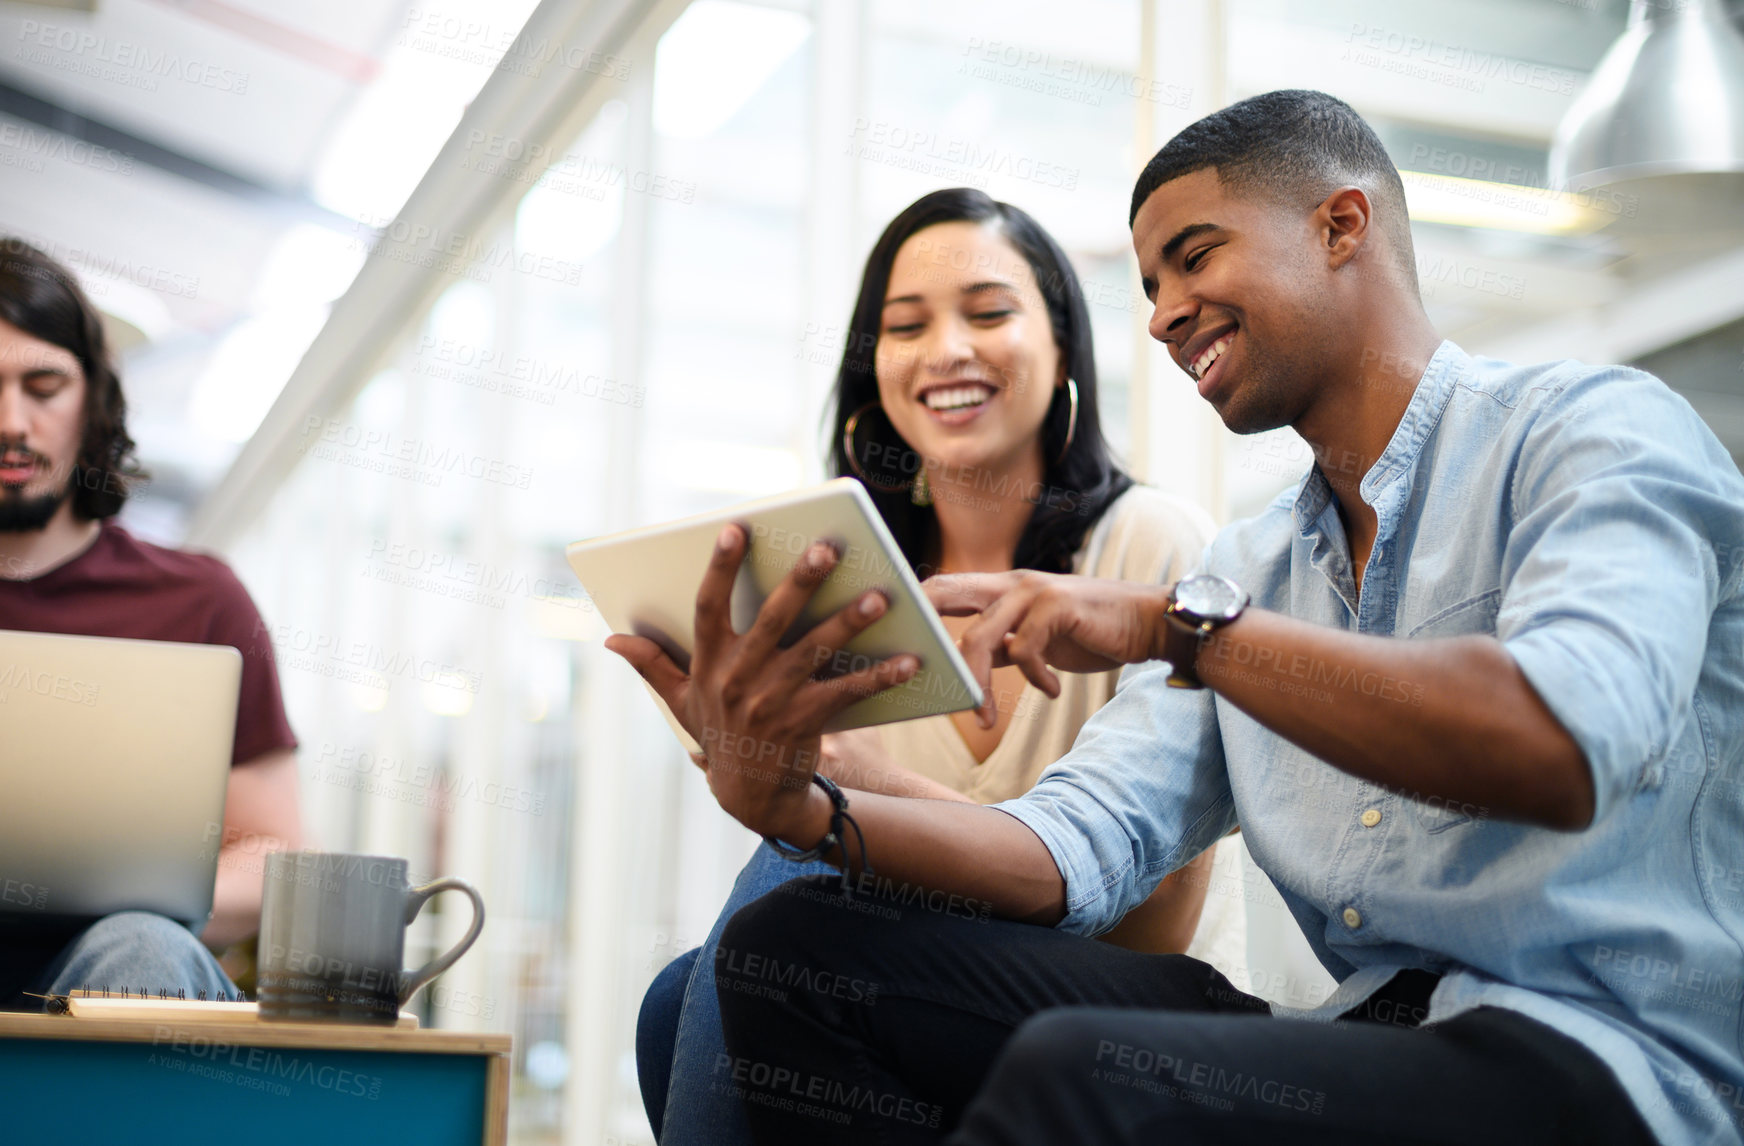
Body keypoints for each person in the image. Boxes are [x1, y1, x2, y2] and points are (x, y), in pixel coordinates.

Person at [608, 89, 1744, 1145]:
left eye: (1192, 258)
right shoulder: (1248, 566)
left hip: (1610, 1060)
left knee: (1081, 1070)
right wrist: (799, 803)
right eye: (1149, 284)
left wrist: (1176, 630)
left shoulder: (1591, 433)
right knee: (786, 955)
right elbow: (1071, 846)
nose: (1160, 317)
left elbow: (1559, 742)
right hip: (1359, 1033)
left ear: (1341, 226)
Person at [634, 188, 1232, 1144]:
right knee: (677, 996)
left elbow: (1154, 927)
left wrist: (847, 789)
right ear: (875, 368)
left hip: (1128, 1006)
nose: (948, 350)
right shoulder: (850, 590)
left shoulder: (1152, 550)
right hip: (909, 1009)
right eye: (906, 327)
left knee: (791, 857)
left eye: (989, 313)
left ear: (1065, 345)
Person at [0, 237, 303, 1009]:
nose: (13, 422)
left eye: (44, 386)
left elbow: (275, 853)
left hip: (108, 973)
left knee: (141, 945)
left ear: (94, 402)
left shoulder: (197, 599)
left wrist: (139, 892)